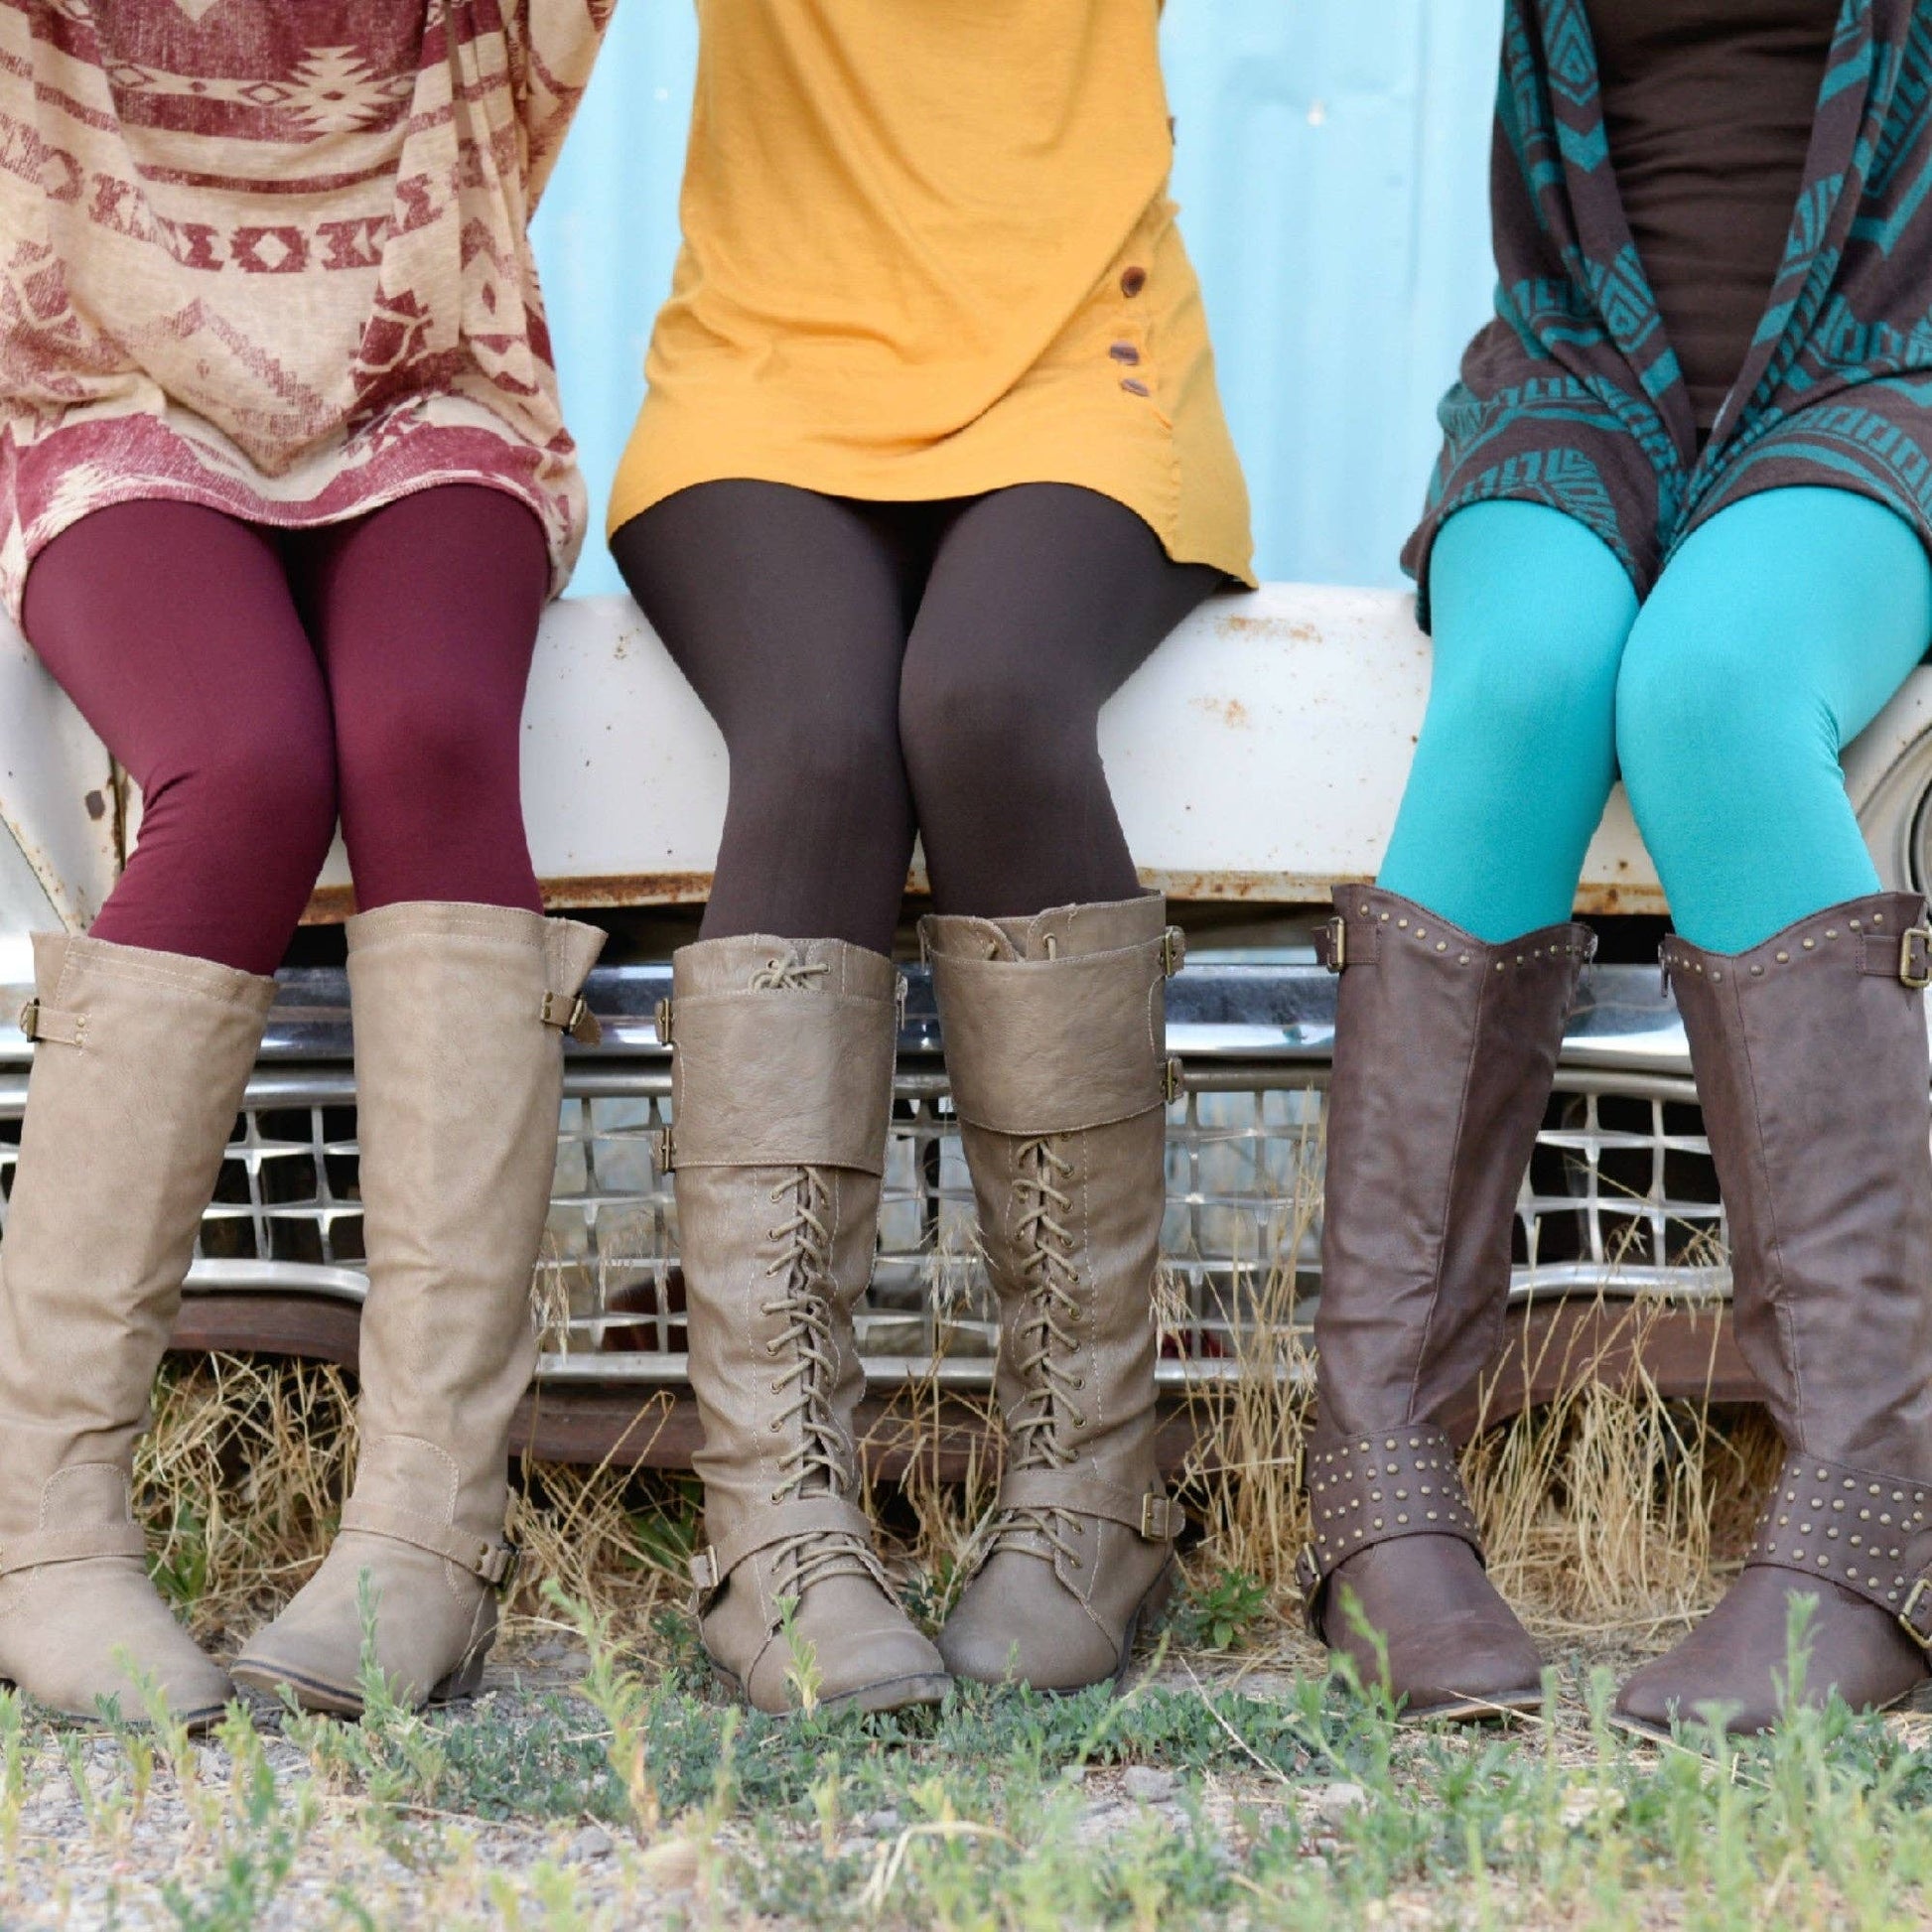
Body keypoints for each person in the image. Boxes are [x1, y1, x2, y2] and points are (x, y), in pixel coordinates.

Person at [611, 1, 1253, 1715]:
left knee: (984, 701)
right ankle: (775, 1520)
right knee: (817, 742)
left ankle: (1095, 1485)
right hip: (764, 366)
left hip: (1076, 361)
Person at [1300, 0, 1932, 1733]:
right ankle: (1375, 1473)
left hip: (1885, 366)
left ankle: (1875, 1515)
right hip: (1582, 369)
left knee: (1714, 690)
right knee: (1521, 680)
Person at [0, 2, 612, 1727]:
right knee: (249, 762)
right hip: (104, 386)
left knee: (425, 735)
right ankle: (41, 1532)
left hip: (425, 388)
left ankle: (424, 1532)